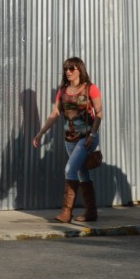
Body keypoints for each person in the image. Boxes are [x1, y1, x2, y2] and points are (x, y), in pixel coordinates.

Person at [31, 57, 103, 223]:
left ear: (80, 70)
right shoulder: (63, 91)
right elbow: (55, 113)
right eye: (66, 69)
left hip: (86, 138)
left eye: (72, 68)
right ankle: (91, 212)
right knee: (81, 172)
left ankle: (66, 212)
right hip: (69, 139)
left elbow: (99, 114)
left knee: (70, 169)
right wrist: (41, 133)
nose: (68, 72)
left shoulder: (90, 88)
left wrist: (92, 135)